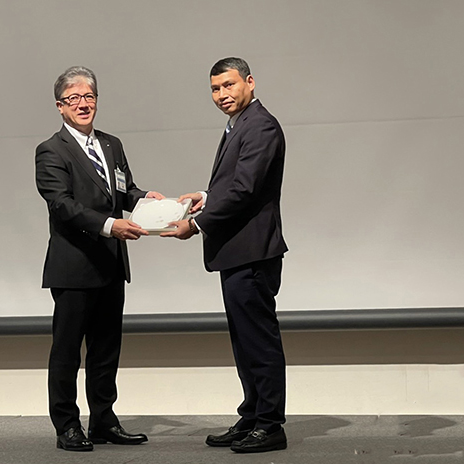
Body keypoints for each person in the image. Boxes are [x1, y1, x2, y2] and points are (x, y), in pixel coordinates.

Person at [162, 57, 289, 454]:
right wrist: (204, 196)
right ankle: (252, 416)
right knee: (243, 341)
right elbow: (232, 184)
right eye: (216, 89)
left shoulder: (261, 125)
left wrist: (197, 224)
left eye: (229, 85)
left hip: (252, 252)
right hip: (237, 252)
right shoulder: (239, 125)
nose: (222, 95)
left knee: (259, 341)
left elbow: (245, 190)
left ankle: (270, 425)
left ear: (249, 82)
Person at [35, 66, 163, 452]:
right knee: (68, 352)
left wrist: (144, 200)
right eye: (74, 98)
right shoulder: (51, 151)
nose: (83, 104)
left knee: (106, 351)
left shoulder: (111, 144)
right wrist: (110, 226)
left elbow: (121, 191)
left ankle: (104, 421)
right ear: (60, 107)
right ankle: (67, 426)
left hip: (110, 265)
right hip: (74, 268)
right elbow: (63, 206)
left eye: (89, 96)